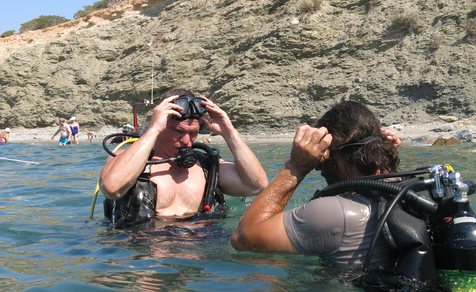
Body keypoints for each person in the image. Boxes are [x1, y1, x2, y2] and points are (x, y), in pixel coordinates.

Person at [231, 100, 433, 272]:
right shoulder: (414, 193)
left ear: (332, 154)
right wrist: (383, 158)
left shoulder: (335, 213)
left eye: (321, 160)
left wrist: (296, 167)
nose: (321, 168)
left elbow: (242, 237)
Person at [99, 88, 269, 221]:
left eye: (193, 132)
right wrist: (154, 129)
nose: (187, 140)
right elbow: (112, 188)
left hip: (198, 248)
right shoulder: (125, 158)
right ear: (159, 123)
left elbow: (256, 185)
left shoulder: (205, 166)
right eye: (178, 131)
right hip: (146, 257)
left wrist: (229, 132)